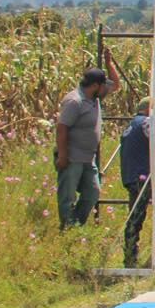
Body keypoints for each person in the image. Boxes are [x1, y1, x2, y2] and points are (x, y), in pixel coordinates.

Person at [54, 50, 121, 229]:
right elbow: (62, 129)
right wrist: (62, 155)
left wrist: (109, 63)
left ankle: (75, 225)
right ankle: (67, 229)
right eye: (102, 85)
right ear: (94, 86)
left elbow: (116, 84)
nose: (105, 88)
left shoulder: (94, 97)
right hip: (72, 157)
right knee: (67, 196)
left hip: (87, 158)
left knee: (92, 192)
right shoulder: (75, 101)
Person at [119, 97, 152, 268]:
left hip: (131, 175)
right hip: (143, 176)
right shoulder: (147, 123)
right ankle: (130, 258)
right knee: (136, 218)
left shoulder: (130, 125)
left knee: (134, 216)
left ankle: (130, 257)